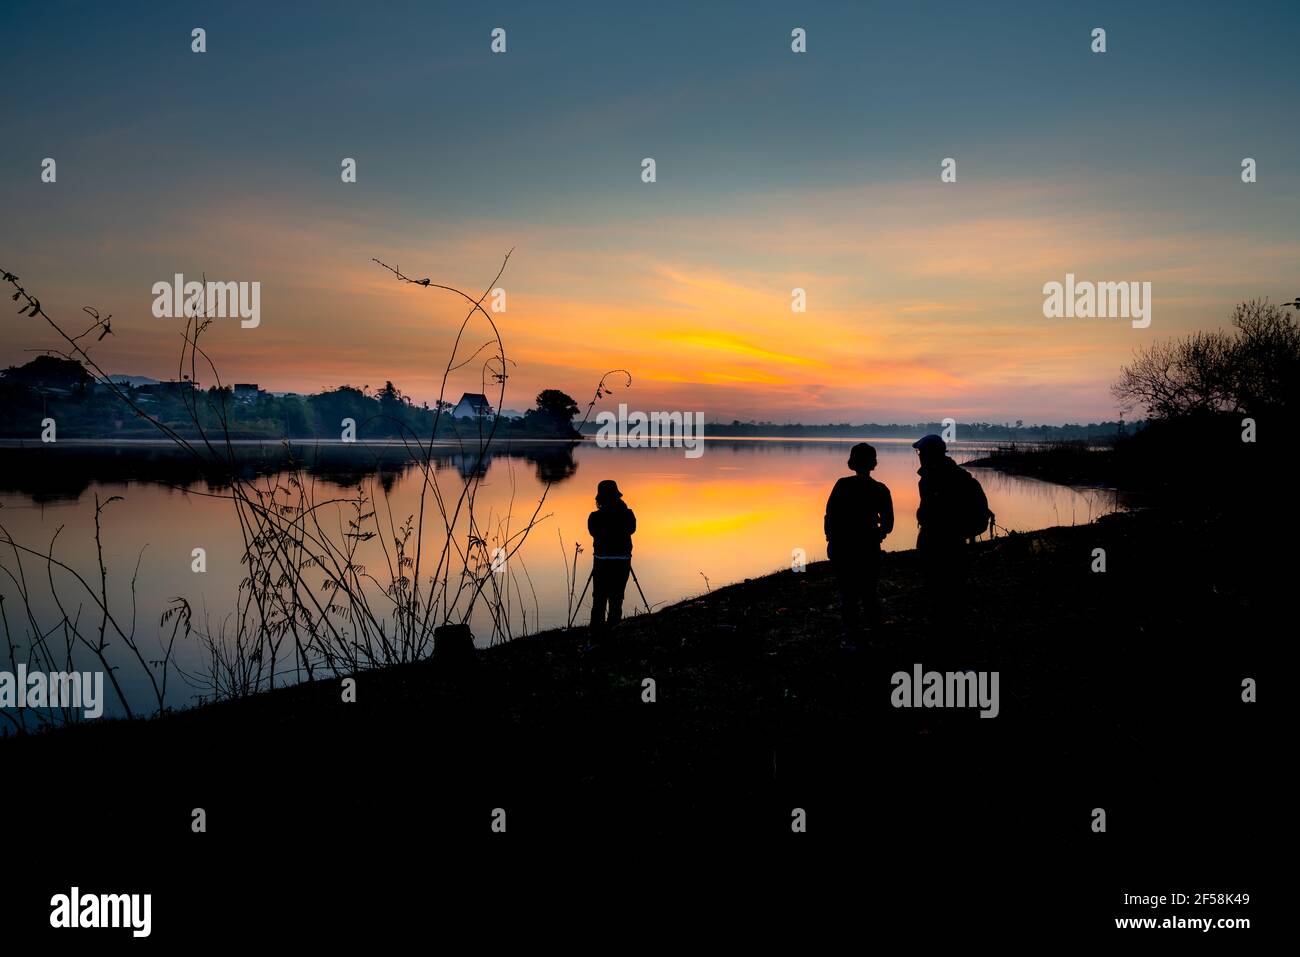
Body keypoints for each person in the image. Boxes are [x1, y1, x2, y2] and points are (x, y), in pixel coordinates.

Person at [912, 434, 989, 624]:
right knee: (942, 591)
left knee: (946, 591)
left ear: (930, 454)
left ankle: (947, 632)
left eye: (920, 452)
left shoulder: (952, 478)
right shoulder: (933, 477)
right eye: (918, 452)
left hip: (946, 545)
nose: (919, 456)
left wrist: (957, 533)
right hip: (939, 543)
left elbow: (979, 515)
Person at [824, 443, 894, 637]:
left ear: (852, 463)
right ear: (873, 464)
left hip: (843, 548)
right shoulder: (880, 489)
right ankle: (875, 632)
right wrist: (876, 536)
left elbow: (829, 516)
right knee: (869, 592)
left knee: (848, 593)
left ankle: (851, 633)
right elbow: (888, 524)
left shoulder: (842, 484)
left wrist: (831, 539)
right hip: (868, 548)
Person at [588, 479, 636, 631]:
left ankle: (596, 633)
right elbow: (631, 529)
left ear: (599, 498)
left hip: (602, 562)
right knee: (616, 598)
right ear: (617, 496)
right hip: (622, 562)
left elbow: (593, 532)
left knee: (599, 599)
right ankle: (613, 632)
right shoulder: (628, 514)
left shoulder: (594, 517)